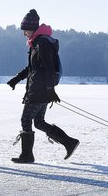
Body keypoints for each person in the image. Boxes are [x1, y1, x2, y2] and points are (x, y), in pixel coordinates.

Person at [6, 9, 78, 163]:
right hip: (41, 89)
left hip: (40, 90)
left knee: (26, 120)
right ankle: (69, 142)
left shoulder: (43, 43)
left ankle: (27, 155)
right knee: (38, 122)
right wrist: (16, 79)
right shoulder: (37, 43)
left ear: (32, 28)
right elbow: (32, 68)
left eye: (25, 31)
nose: (24, 34)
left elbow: (49, 67)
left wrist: (50, 89)